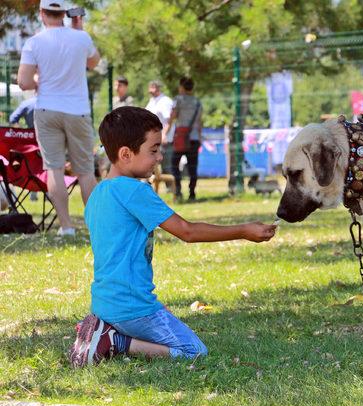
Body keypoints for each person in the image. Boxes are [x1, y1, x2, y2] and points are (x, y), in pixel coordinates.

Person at [67, 107, 276, 367]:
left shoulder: (97, 194)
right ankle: (115, 342)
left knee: (165, 326)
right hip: (133, 309)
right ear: (125, 154)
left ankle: (104, 330)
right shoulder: (134, 191)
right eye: (153, 150)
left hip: (104, 304)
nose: (159, 157)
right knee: (193, 350)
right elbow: (187, 231)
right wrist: (243, 230)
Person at [17, 0, 100, 237]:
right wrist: (79, 29)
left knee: (53, 169)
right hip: (78, 110)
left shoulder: (34, 42)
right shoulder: (81, 38)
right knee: (85, 171)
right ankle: (97, 226)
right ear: (65, 13)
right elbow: (94, 62)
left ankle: (66, 228)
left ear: (42, 13)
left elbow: (23, 82)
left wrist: (39, 82)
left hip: (47, 110)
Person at [163, 77, 202, 202]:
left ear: (181, 87)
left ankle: (178, 191)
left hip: (180, 138)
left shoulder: (178, 100)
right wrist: (200, 138)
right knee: (193, 167)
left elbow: (172, 118)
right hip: (194, 138)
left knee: (174, 165)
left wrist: (164, 133)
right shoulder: (197, 102)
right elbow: (200, 122)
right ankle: (192, 194)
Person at [145, 80, 173, 187]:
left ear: (158, 88)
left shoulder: (165, 101)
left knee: (166, 166)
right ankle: (148, 188)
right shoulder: (152, 101)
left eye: (153, 87)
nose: (150, 90)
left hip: (163, 140)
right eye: (150, 87)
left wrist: (164, 135)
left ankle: (170, 189)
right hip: (152, 140)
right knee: (150, 165)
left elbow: (169, 121)